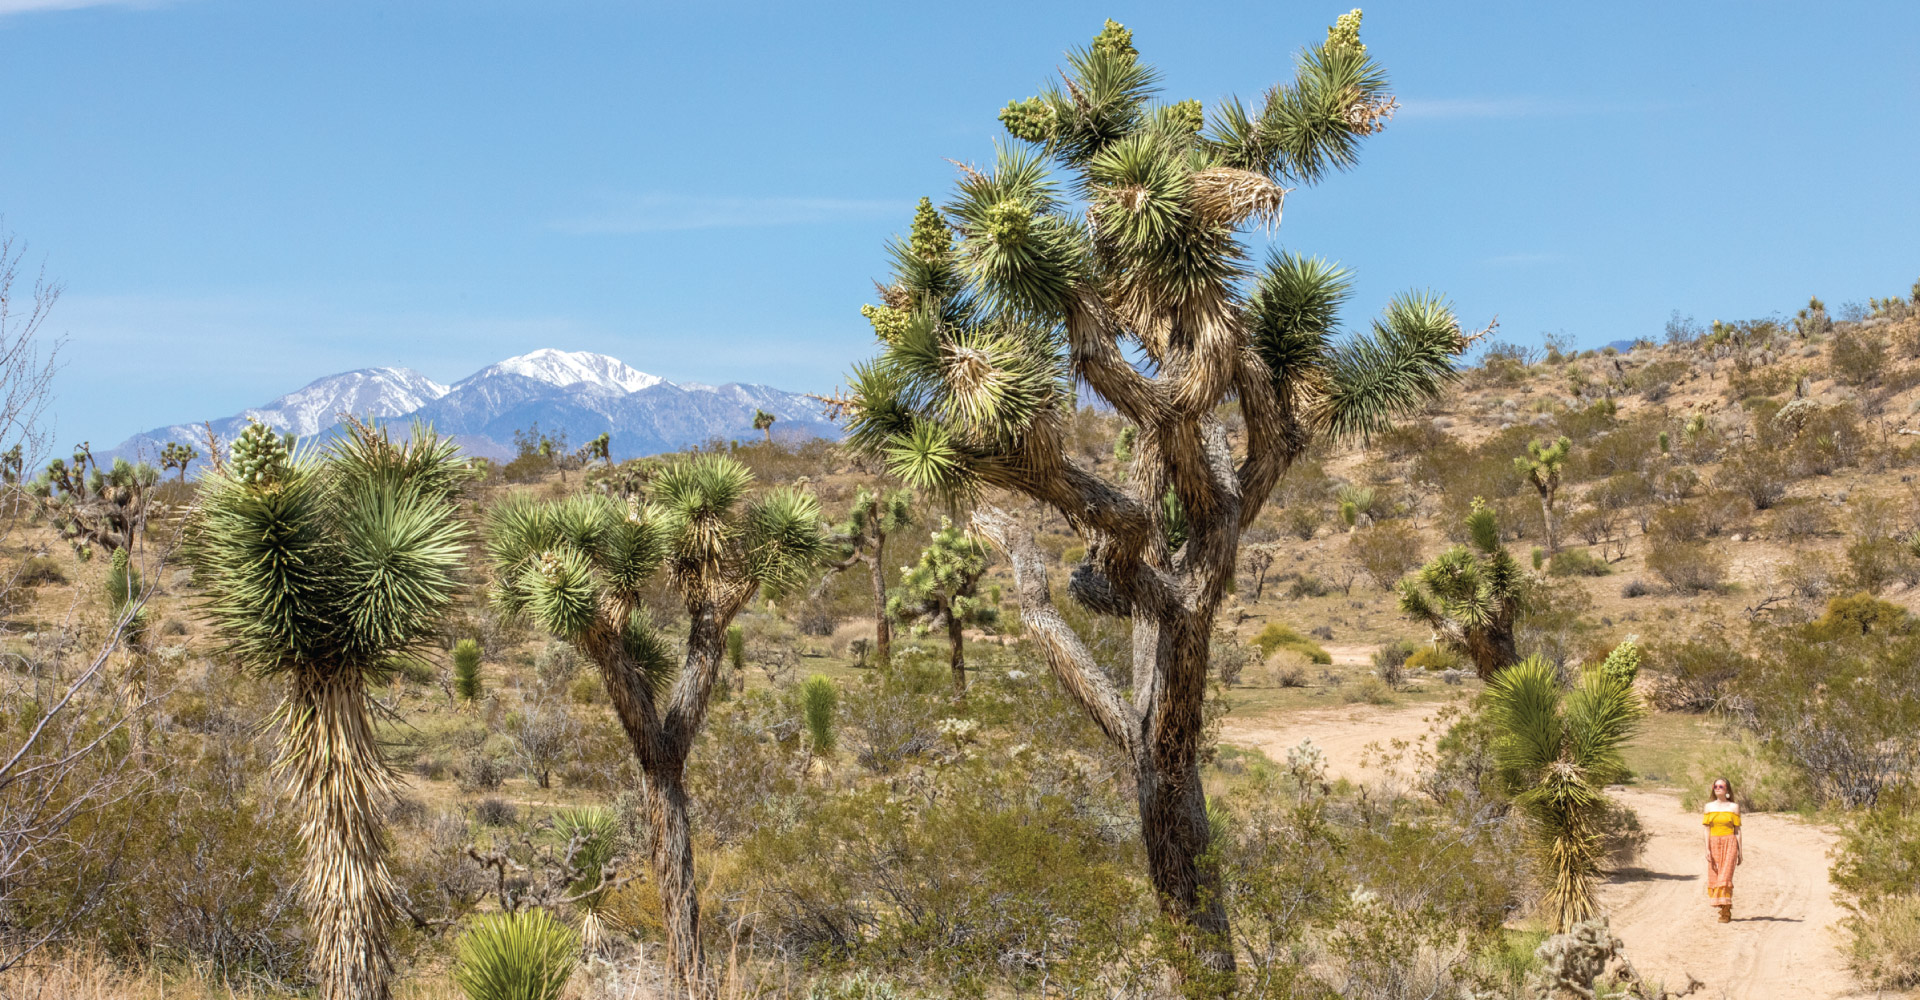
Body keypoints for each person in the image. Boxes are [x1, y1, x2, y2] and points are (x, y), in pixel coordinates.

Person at [1703, 777, 1743, 922]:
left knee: (1725, 877)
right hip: (1714, 843)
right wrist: (1707, 848)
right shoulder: (1708, 807)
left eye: (1721, 786)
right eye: (1716, 786)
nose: (1718, 789)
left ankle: (1725, 912)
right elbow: (1706, 829)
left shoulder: (1734, 807)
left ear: (1727, 789)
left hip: (1730, 843)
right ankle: (1723, 906)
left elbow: (1737, 831)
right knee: (1715, 876)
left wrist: (1740, 852)